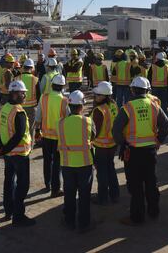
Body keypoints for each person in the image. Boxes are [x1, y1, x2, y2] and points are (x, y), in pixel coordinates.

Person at [112, 76, 168, 226]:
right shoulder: (153, 105)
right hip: (150, 151)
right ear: (146, 90)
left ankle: (137, 217)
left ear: (132, 90)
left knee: (136, 185)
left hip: (133, 152)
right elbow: (166, 125)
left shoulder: (128, 108)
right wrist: (158, 140)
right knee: (151, 181)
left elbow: (116, 130)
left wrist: (123, 144)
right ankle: (154, 211)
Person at [0, 80, 36, 227]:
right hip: (19, 154)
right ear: (14, 94)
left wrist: (0, 148)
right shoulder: (19, 112)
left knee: (9, 181)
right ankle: (18, 216)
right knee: (23, 185)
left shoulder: (3, 109)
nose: (25, 95)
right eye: (22, 93)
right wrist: (5, 149)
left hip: (8, 154)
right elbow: (19, 135)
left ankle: (9, 210)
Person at [57, 90, 96, 233]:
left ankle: (69, 221)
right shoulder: (88, 121)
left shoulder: (60, 123)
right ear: (82, 106)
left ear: (69, 106)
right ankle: (84, 224)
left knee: (69, 194)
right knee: (84, 196)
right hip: (85, 164)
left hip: (67, 164)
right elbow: (94, 136)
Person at [35, 74, 69, 197]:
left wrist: (37, 131)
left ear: (52, 85)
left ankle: (47, 184)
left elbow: (38, 116)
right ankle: (56, 188)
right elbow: (68, 119)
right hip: (59, 138)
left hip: (45, 136)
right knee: (57, 163)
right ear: (63, 86)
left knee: (47, 161)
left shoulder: (44, 98)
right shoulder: (65, 101)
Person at [90, 81, 119, 205]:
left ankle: (102, 198)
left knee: (101, 173)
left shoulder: (99, 110)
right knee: (110, 169)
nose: (95, 96)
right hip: (112, 144)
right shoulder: (113, 105)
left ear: (104, 96)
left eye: (97, 95)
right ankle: (115, 194)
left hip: (101, 146)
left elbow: (94, 131)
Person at [18, 59, 41, 138]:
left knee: (20, 128)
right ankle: (30, 148)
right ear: (32, 68)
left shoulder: (17, 78)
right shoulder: (35, 79)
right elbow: (39, 95)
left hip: (19, 108)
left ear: (23, 67)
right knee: (31, 128)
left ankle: (22, 146)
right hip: (32, 108)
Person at [0, 54, 15, 119]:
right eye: (11, 63)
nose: (13, 64)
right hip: (7, 93)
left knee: (3, 107)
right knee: (7, 108)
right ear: (7, 63)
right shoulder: (8, 72)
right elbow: (7, 84)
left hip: (3, 91)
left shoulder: (3, 70)